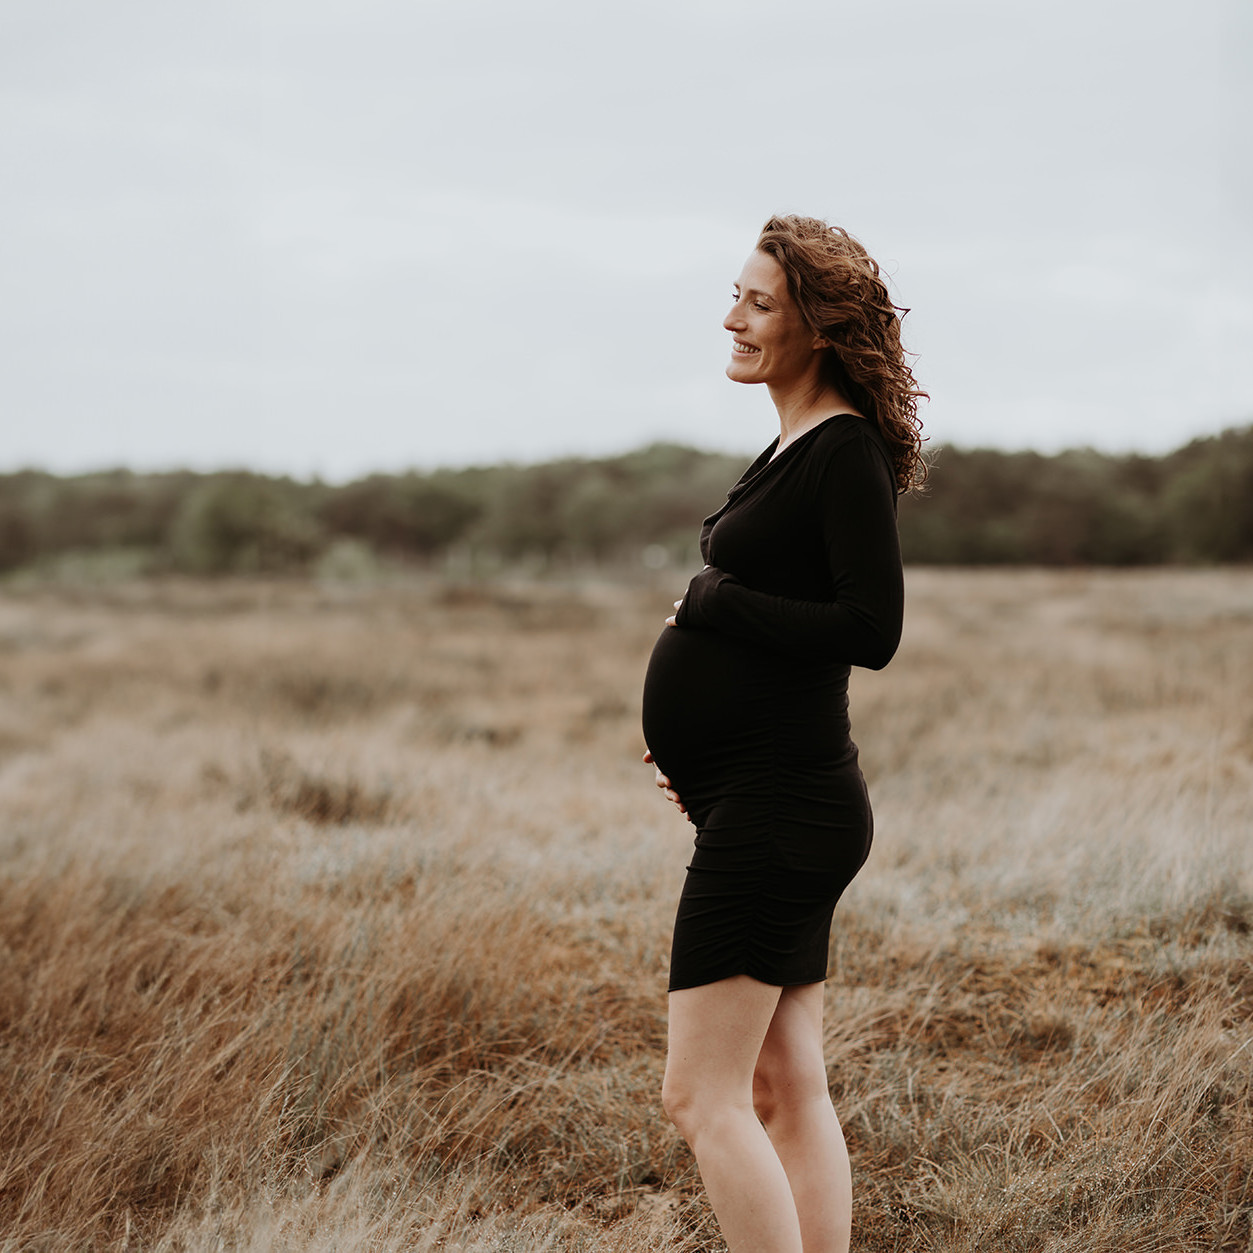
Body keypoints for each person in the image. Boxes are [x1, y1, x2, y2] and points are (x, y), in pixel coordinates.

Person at [640, 214, 926, 1253]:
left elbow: (869, 629)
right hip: (762, 797)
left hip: (781, 808)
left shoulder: (840, 448)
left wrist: (713, 606)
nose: (732, 317)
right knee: (780, 1081)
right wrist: (700, 753)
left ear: (817, 324)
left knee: (699, 1095)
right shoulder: (791, 442)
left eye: (758, 303)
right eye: (737, 294)